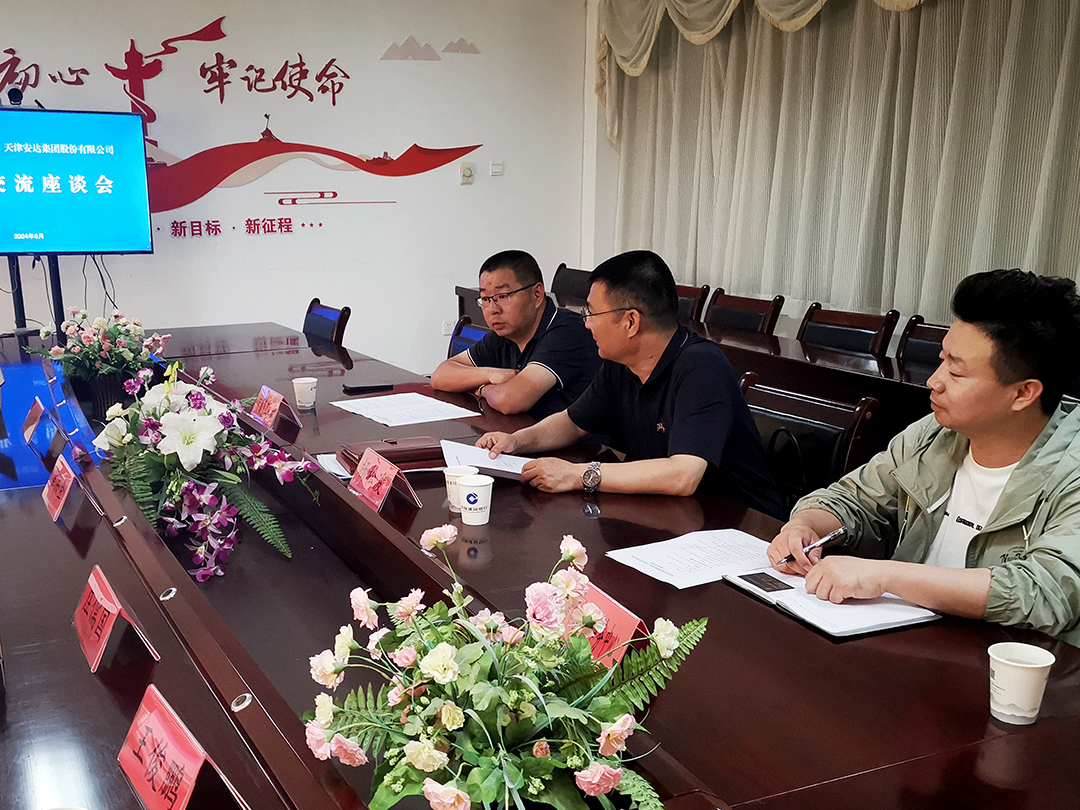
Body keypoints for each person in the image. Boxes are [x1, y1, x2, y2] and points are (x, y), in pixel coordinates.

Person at [766, 269, 1080, 643]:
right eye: (941, 359)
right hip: (911, 641)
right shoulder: (936, 433)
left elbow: (1046, 590)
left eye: (956, 372)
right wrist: (804, 526)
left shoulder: (1071, 468)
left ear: (1024, 393)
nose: (934, 380)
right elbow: (854, 498)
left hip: (1011, 663)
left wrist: (884, 575)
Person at [476, 250, 783, 516]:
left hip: (741, 526)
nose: (586, 323)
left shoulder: (700, 366)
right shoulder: (621, 364)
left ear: (631, 322)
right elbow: (571, 423)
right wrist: (517, 441)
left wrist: (578, 475)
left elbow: (683, 474)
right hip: (670, 514)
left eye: (592, 313)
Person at [431, 250, 600, 419]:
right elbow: (440, 376)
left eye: (503, 296)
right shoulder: (504, 334)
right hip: (524, 431)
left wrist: (482, 388)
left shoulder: (567, 331)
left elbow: (509, 400)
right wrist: (490, 374)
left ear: (537, 294)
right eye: (486, 299)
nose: (493, 309)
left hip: (576, 436)